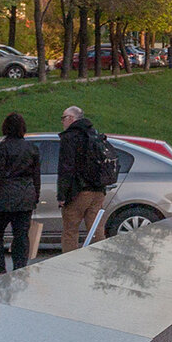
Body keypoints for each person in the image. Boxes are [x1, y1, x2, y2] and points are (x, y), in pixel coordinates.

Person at [0, 112, 41, 276]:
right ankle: (20, 268)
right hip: (25, 197)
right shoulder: (32, 148)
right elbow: (36, 176)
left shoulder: (2, 148)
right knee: (21, 235)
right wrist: (35, 196)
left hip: (4, 197)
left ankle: (1, 269)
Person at [57, 105, 107, 252]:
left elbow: (66, 168)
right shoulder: (94, 134)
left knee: (70, 231)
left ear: (71, 119)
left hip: (78, 191)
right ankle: (100, 260)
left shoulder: (69, 138)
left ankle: (70, 264)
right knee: (96, 229)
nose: (62, 122)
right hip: (98, 190)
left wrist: (62, 195)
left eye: (63, 118)